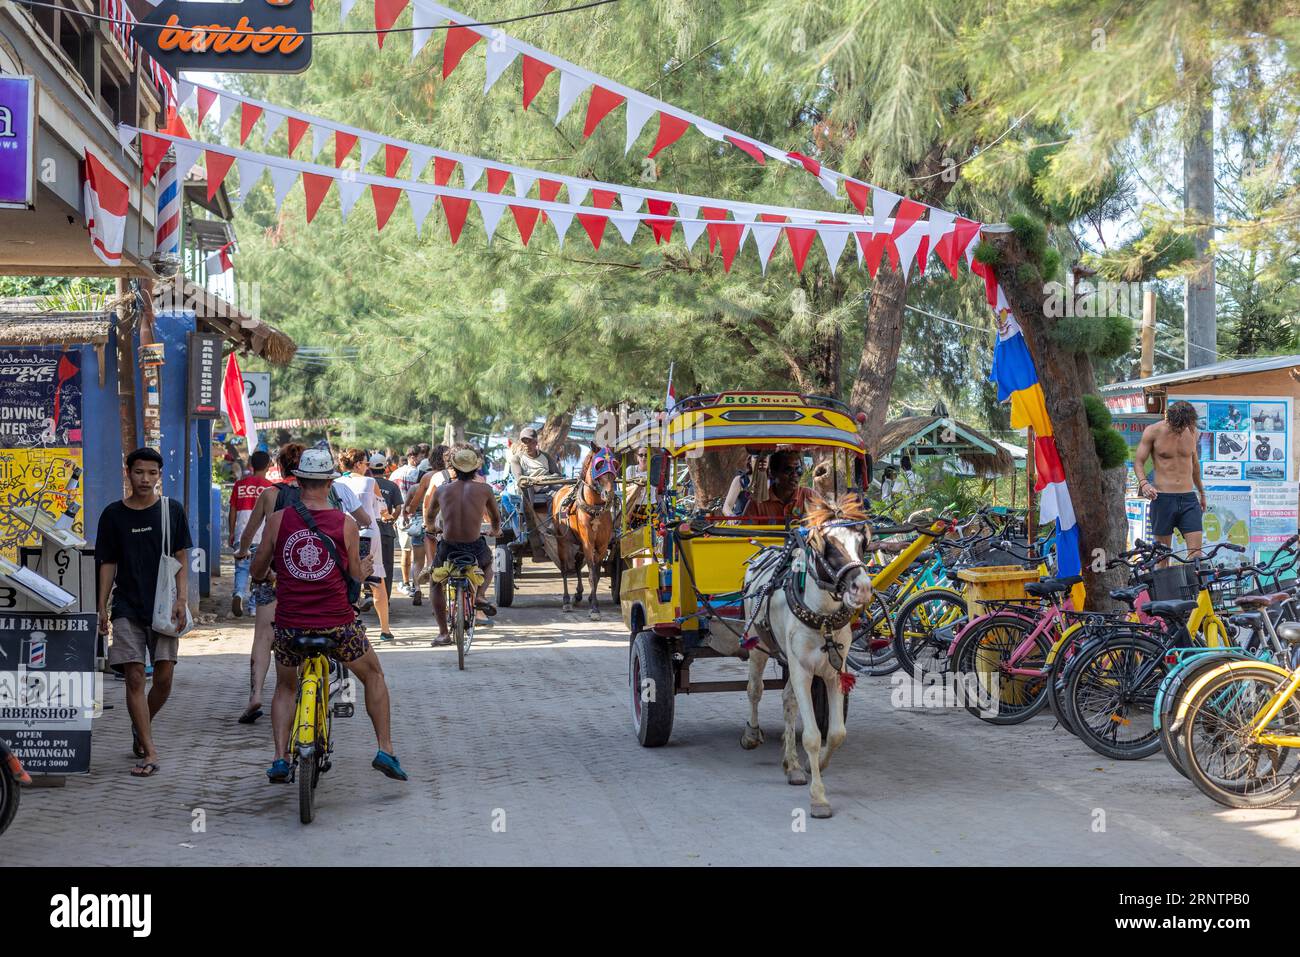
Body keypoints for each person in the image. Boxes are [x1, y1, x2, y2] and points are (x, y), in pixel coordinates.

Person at [249, 448, 408, 783]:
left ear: (298, 480)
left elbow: (258, 568)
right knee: (374, 676)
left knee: (285, 687)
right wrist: (364, 568)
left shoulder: (278, 521)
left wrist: (272, 571)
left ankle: (279, 758)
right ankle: (386, 749)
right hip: (337, 624)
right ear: (329, 482)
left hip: (290, 625)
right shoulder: (345, 523)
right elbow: (354, 573)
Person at [95, 448, 192, 778]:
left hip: (163, 607)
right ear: (128, 473)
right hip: (126, 606)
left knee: (163, 680)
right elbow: (107, 563)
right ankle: (149, 750)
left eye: (152, 473)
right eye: (139, 472)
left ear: (159, 476)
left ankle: (141, 725)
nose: (145, 479)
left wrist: (182, 599)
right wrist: (101, 607)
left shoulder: (171, 511)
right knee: (135, 676)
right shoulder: (113, 515)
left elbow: (180, 557)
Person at [425, 446, 502, 645]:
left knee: (435, 583)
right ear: (475, 469)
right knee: (489, 565)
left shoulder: (442, 490)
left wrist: (433, 528)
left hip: (449, 547)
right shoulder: (485, 489)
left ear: (454, 468)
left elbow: (430, 517)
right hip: (474, 546)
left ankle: (443, 633)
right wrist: (495, 530)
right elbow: (495, 518)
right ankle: (481, 595)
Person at [1134, 400, 1207, 564]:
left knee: (1196, 556)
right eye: (1179, 426)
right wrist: (1144, 483)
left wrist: (1202, 493)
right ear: (1170, 420)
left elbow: (1195, 465)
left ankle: (1196, 589)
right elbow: (1138, 462)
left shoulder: (1192, 431)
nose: (1182, 430)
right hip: (1162, 499)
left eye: (1186, 425)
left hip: (1188, 499)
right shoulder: (1153, 431)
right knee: (1162, 557)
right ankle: (1165, 589)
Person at [337, 449, 394, 642]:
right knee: (377, 580)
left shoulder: (335, 483)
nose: (367, 467)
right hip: (367, 533)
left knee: (343, 577)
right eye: (366, 463)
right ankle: (385, 630)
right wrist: (388, 517)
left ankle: (345, 622)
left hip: (341, 533)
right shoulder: (370, 482)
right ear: (358, 464)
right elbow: (382, 510)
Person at [229, 449, 274, 618]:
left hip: (242, 532)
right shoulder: (270, 487)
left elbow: (233, 511)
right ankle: (254, 607)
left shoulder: (240, 485)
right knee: (259, 572)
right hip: (262, 535)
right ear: (268, 466)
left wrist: (232, 532)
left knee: (241, 568)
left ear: (250, 465)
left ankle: (238, 594)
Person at [740, 449, 814, 522]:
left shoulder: (809, 496)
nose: (795, 475)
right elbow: (745, 532)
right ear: (773, 473)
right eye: (788, 470)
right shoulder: (757, 503)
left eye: (798, 470)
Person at [390, 447, 424, 599]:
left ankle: (405, 582)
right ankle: (417, 585)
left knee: (405, 551)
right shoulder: (420, 474)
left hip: (400, 515)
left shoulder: (395, 473)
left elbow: (391, 493)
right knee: (420, 555)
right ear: (415, 457)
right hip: (418, 515)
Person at [370, 452, 404, 603]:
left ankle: (368, 594)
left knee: (367, 563)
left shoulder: (366, 483)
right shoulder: (392, 486)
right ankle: (385, 599)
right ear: (385, 468)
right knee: (386, 566)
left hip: (367, 530)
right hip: (385, 531)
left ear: (369, 468)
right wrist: (391, 520)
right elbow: (398, 508)